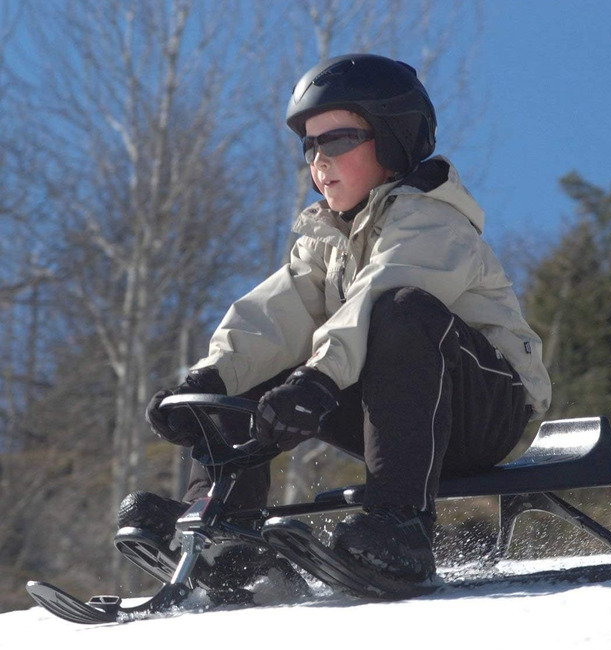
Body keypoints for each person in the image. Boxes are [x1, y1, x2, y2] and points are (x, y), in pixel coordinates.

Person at [119, 53, 551, 586]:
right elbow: (270, 317)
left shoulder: (434, 222)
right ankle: (224, 536)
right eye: (310, 145)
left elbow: (377, 298)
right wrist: (206, 385)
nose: (318, 160)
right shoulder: (328, 243)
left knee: (401, 311)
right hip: (401, 415)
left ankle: (402, 527)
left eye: (337, 141)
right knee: (250, 377)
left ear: (393, 140)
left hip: (483, 414)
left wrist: (318, 380)